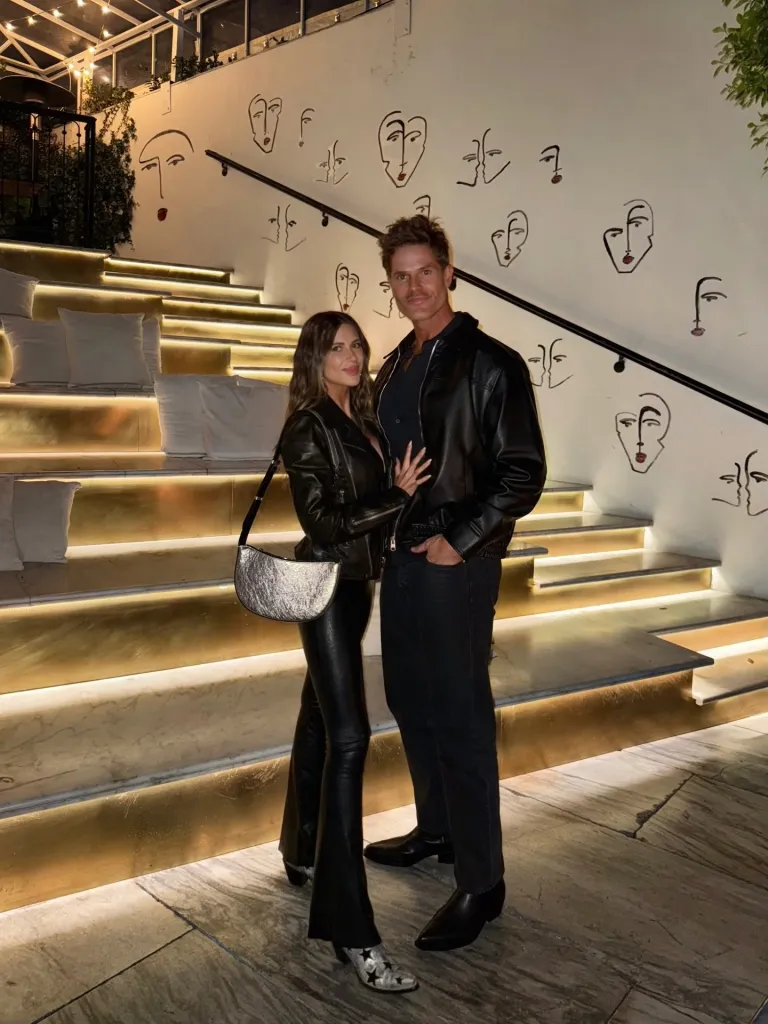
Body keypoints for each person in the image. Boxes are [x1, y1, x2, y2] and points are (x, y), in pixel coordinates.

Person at [365, 215, 547, 952]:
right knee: (410, 698)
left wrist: (462, 540)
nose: (413, 287)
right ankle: (436, 830)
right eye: (399, 276)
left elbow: (522, 472)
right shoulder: (394, 365)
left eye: (424, 272)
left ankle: (481, 882)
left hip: (455, 566)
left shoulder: (489, 362)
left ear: (449, 272)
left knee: (462, 715)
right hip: (401, 559)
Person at [278, 310, 430, 994]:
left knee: (318, 718)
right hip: (326, 588)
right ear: (314, 357)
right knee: (349, 738)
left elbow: (365, 502)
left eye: (356, 344)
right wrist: (395, 500)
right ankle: (352, 929)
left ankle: (299, 847)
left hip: (357, 584)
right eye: (336, 347)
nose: (351, 353)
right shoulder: (308, 425)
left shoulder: (362, 420)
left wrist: (396, 494)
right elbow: (324, 522)